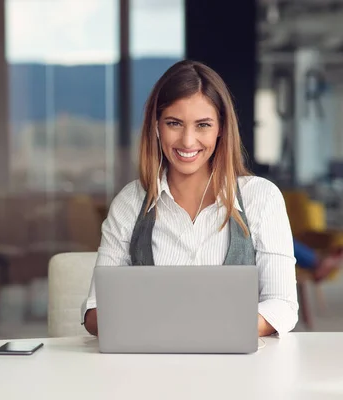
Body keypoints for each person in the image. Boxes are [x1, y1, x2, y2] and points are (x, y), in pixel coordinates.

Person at [82, 60, 298, 338]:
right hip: (150, 369)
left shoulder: (261, 197)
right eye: (174, 123)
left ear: (221, 128)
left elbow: (282, 305)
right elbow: (95, 313)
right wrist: (192, 327)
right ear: (156, 126)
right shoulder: (131, 201)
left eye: (203, 125)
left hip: (238, 371)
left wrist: (202, 329)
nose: (187, 141)